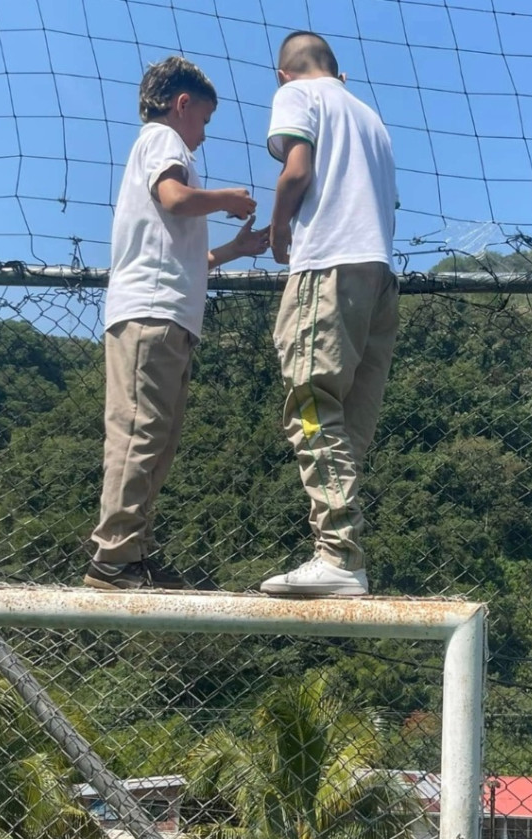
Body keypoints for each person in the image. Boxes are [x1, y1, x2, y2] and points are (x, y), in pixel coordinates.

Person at [85, 55, 269, 591]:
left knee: (156, 438)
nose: (204, 136)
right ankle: (112, 559)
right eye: (205, 121)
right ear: (181, 104)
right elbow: (174, 198)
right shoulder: (163, 140)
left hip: (165, 313)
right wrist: (227, 199)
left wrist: (234, 248)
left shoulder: (164, 148)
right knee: (141, 433)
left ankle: (131, 554)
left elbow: (187, 257)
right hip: (150, 312)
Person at [260, 31, 399, 597]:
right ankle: (343, 551)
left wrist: (278, 227)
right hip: (379, 275)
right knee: (346, 424)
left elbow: (297, 169)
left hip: (328, 267)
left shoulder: (299, 95)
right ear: (338, 71)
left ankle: (338, 554)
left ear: (283, 74)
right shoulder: (371, 118)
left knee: (312, 404)